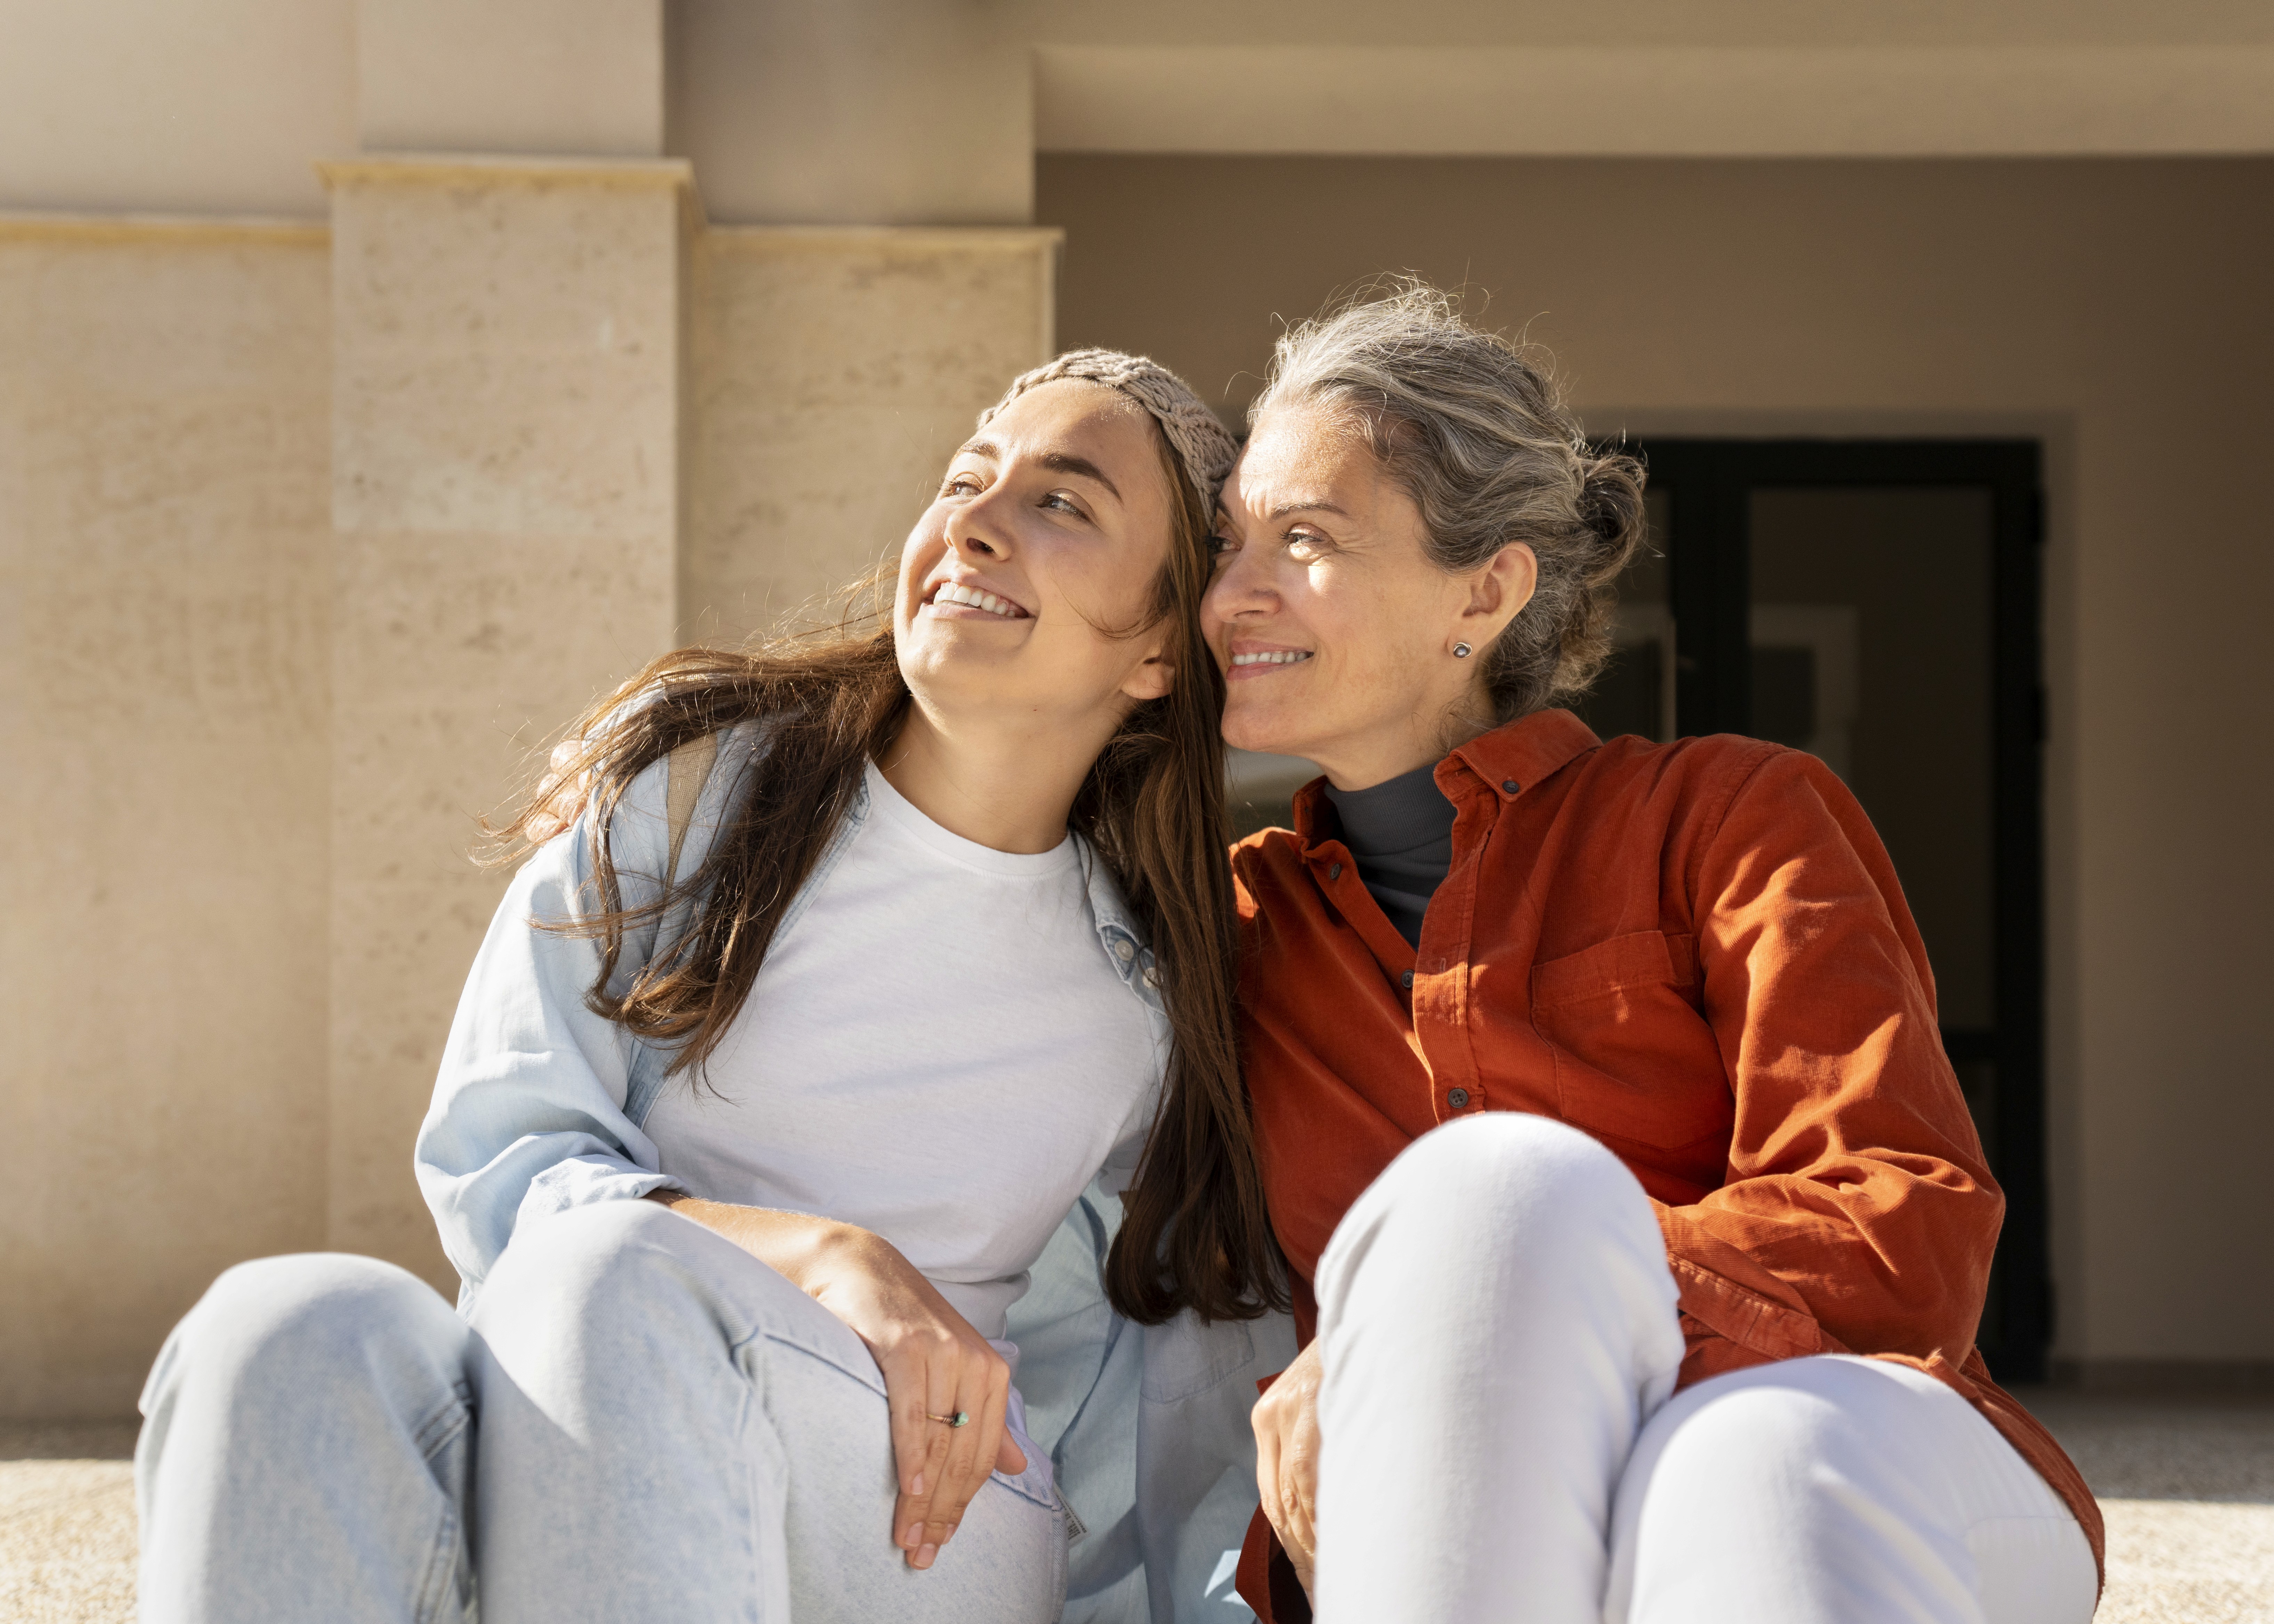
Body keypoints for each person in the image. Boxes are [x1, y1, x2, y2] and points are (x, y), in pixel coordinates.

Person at [132, 350, 1291, 1624]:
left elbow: (1175, 1381)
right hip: (579, 1432)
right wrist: (823, 1258)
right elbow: (500, 1158)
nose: (974, 520)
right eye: (966, 480)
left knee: (621, 1276)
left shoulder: (1147, 993)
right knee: (288, 1324)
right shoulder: (694, 803)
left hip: (921, 1518)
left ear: (1162, 656)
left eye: (1062, 503)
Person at [1203, 285, 2102, 1624]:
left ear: (1490, 589)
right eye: (1227, 545)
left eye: (1306, 538)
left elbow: (1897, 1221)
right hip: (1473, 1532)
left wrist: (1450, 1321)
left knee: (1730, 1441)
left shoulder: (1728, 816)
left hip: (1850, 1456)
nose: (1233, 594)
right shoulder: (1232, 930)